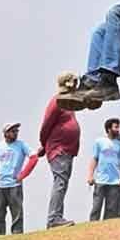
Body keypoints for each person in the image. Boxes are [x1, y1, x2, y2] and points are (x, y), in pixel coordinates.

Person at [39, 72, 82, 229]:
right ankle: (54, 219)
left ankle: (57, 217)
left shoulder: (67, 102)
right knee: (60, 182)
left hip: (67, 150)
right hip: (59, 150)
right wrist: (45, 146)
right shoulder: (57, 101)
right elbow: (45, 126)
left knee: (62, 183)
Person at [0, 122, 38, 235]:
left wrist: (23, 174)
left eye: (16, 131)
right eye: (12, 131)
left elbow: (34, 157)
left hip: (15, 184)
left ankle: (17, 234)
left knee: (17, 212)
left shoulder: (21, 145)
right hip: (0, 185)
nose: (15, 133)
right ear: (6, 133)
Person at [88, 118, 120, 221]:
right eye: (116, 127)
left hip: (114, 182)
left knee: (111, 210)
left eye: (118, 127)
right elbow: (94, 159)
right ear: (109, 129)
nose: (118, 130)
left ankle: (106, 232)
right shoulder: (99, 142)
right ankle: (92, 230)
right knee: (96, 208)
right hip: (100, 180)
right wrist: (90, 175)